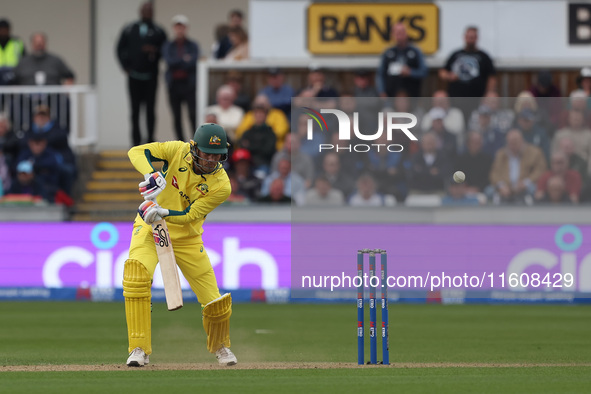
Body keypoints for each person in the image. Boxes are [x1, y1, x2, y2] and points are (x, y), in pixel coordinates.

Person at [124, 123, 237, 367]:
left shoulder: (221, 185)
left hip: (187, 236)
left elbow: (189, 214)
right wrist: (150, 174)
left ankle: (221, 347)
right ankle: (139, 349)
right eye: (206, 152)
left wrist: (161, 211)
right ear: (194, 147)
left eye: (216, 155)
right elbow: (136, 151)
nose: (210, 159)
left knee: (215, 302)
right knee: (136, 275)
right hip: (149, 228)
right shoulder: (176, 150)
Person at [116, 2, 167, 146]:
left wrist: (154, 51)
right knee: (135, 110)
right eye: (145, 10)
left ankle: (150, 139)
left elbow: (166, 51)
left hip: (151, 77)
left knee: (150, 109)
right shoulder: (130, 29)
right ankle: (136, 141)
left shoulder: (158, 31)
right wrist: (125, 67)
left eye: (150, 10)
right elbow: (120, 48)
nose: (147, 13)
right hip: (134, 77)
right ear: (140, 12)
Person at [162, 15, 199, 142]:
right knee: (176, 116)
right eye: (177, 27)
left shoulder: (193, 45)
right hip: (174, 85)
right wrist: (184, 59)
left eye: (182, 27)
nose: (180, 30)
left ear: (186, 28)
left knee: (192, 114)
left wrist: (180, 62)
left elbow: (193, 61)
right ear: (174, 28)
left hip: (189, 84)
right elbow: (169, 61)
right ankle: (180, 143)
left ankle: (195, 142)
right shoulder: (168, 46)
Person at [488, 129, 547, 204]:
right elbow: (494, 173)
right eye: (510, 143)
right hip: (506, 186)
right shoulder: (501, 154)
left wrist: (526, 183)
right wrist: (501, 185)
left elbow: (540, 170)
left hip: (525, 186)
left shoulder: (535, 152)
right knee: (489, 191)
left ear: (522, 141)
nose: (512, 146)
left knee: (533, 189)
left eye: (515, 143)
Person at [439, 26, 496, 98]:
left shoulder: (483, 56)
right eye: (468, 37)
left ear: (476, 38)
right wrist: (449, 76)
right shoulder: (456, 55)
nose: (470, 39)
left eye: (472, 37)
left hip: (478, 96)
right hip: (456, 96)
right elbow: (442, 72)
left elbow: (492, 76)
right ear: (465, 37)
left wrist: (489, 92)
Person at [376, 22, 427, 98]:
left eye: (402, 32)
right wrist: (381, 91)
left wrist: (410, 72)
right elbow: (380, 74)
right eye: (397, 32)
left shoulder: (415, 51)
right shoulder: (388, 52)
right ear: (392, 35)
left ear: (406, 33)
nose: (399, 35)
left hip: (412, 96)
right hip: (391, 96)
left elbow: (424, 71)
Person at [238, 105, 277, 175]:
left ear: (266, 116)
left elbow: (268, 150)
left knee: (261, 174)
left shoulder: (270, 133)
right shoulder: (248, 132)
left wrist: (250, 146)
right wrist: (259, 145)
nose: (259, 116)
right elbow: (241, 146)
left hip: (263, 163)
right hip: (248, 164)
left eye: (261, 114)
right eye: (257, 114)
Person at [0, 18, 26, 85]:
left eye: (5, 29)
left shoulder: (17, 43)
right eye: (1, 29)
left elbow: (25, 59)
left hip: (14, 75)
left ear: (9, 29)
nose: (3, 31)